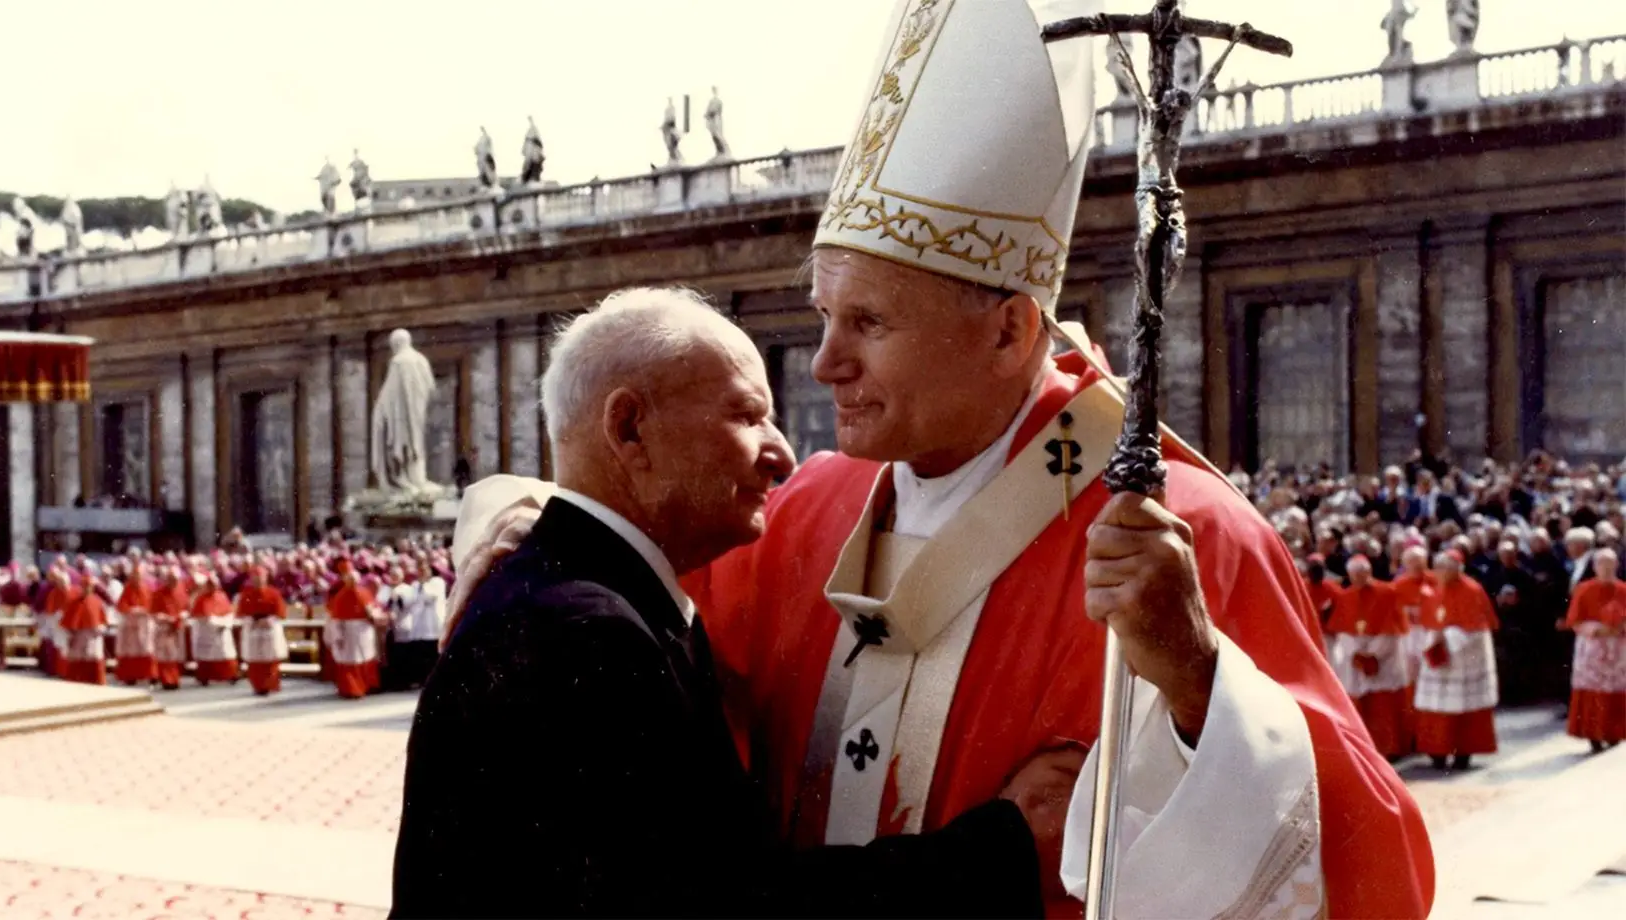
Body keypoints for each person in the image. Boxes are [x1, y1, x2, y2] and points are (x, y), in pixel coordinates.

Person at [453, 3, 1434, 916]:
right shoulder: (803, 510)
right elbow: (628, 650)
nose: (825, 363)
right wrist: (529, 519)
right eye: (824, 317)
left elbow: (1375, 862)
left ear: (1008, 331)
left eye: (869, 322)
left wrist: (1197, 685)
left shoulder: (1182, 538)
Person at [394, 290, 1073, 919]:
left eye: (868, 320)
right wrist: (1004, 847)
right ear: (629, 429)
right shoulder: (587, 633)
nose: (783, 455)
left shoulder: (575, 589)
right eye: (748, 416)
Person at [1412, 550, 1500, 769]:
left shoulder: (1472, 590)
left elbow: (1476, 628)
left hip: (1464, 658)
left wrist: (1448, 637)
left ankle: (1462, 753)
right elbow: (1431, 620)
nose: (1439, 573)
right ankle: (1437, 751)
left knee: (1463, 709)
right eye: (1437, 568)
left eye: (1444, 568)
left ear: (1457, 569)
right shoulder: (1436, 589)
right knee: (1436, 706)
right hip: (1439, 655)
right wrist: (1435, 638)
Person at [1330, 555, 1413, 759]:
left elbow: (1391, 630)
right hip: (1356, 656)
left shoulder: (1388, 592)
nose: (1359, 577)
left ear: (1369, 572)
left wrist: (1374, 653)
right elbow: (1343, 631)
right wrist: (1356, 652)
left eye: (1362, 572)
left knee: (1383, 704)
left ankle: (1390, 748)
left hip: (1384, 654)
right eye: (1354, 574)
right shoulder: (1345, 597)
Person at [1565, 547, 1625, 752]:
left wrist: (1620, 627)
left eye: (1610, 564)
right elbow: (1574, 621)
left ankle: (1615, 732)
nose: (1606, 568)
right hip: (1592, 649)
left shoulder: (1624, 589)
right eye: (1602, 564)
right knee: (1592, 693)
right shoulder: (1584, 589)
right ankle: (1593, 736)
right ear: (1595, 567)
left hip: (1618, 650)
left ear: (1617, 565)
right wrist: (1599, 630)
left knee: (1616, 692)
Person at [385, 559, 445, 691]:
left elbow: (429, 597)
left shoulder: (437, 582)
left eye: (424, 569)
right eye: (420, 570)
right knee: (422, 655)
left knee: (434, 655)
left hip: (433, 625)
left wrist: (423, 584)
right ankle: (424, 681)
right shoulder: (415, 585)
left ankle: (436, 682)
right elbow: (409, 600)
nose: (422, 572)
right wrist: (397, 596)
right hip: (419, 627)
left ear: (429, 570)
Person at [325, 560, 381, 699]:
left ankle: (367, 686)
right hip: (348, 631)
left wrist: (374, 615)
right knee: (350, 661)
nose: (353, 582)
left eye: (355, 579)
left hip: (364, 630)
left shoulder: (365, 592)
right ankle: (352, 690)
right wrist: (338, 636)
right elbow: (336, 619)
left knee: (366, 659)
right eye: (350, 579)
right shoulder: (340, 596)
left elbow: (373, 607)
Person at [237, 566, 289, 696]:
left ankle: (271, 684)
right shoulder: (246, 594)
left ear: (265, 578)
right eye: (255, 578)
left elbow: (280, 612)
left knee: (271, 660)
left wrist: (268, 621)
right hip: (253, 628)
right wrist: (252, 621)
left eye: (260, 578)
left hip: (269, 628)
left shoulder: (274, 593)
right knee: (255, 661)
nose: (258, 581)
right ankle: (258, 686)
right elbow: (241, 613)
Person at [188, 573, 239, 686]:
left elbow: (229, 612)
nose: (212, 587)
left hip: (222, 630)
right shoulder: (201, 599)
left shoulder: (222, 596)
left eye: (214, 584)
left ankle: (231, 675)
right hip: (207, 631)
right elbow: (201, 616)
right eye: (210, 585)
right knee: (206, 656)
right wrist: (215, 622)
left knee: (226, 653)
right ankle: (204, 677)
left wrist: (224, 623)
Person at [61, 573, 109, 685]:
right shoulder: (74, 602)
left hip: (93, 634)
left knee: (94, 656)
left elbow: (102, 620)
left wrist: (100, 628)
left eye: (89, 586)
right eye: (84, 586)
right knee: (77, 657)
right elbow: (68, 620)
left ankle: (95, 680)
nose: (87, 589)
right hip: (78, 635)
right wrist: (70, 633)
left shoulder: (97, 601)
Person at [113, 563, 156, 685]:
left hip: (144, 624)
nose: (136, 578)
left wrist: (143, 610)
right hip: (130, 625)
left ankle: (150, 675)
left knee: (147, 649)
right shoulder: (127, 589)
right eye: (134, 575)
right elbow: (121, 605)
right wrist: (132, 610)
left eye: (138, 575)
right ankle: (130, 676)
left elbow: (152, 605)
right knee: (130, 651)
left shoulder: (146, 589)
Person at [150, 567, 190, 690]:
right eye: (171, 579)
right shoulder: (158, 593)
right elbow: (153, 612)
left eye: (175, 580)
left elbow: (186, 608)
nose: (173, 582)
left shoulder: (181, 592)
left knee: (175, 655)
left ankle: (175, 678)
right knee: (165, 655)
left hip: (177, 626)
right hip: (164, 627)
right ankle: (167, 680)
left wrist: (182, 616)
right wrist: (166, 618)